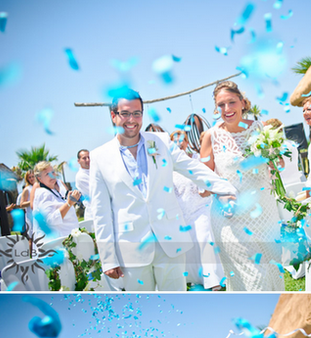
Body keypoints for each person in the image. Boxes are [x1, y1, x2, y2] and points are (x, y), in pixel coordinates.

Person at [89, 88, 236, 291]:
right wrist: (108, 258)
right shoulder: (99, 157)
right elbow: (101, 212)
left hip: (171, 241)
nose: (131, 119)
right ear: (113, 116)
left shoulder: (162, 142)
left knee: (177, 305)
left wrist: (226, 188)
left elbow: (192, 168)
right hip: (131, 249)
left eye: (137, 113)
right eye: (125, 113)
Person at [200, 80, 285, 291]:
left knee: (272, 268)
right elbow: (203, 188)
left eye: (231, 102)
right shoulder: (211, 136)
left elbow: (278, 166)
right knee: (254, 276)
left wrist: (272, 156)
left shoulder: (260, 129)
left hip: (264, 214)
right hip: (230, 218)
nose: (227, 109)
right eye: (221, 105)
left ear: (242, 102)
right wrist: (222, 192)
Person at [170, 130, 224, 290]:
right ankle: (197, 279)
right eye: (176, 141)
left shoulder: (196, 160)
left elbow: (206, 181)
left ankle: (213, 280)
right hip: (183, 212)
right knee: (191, 247)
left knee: (204, 240)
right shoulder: (168, 167)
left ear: (187, 142)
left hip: (201, 208)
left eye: (182, 140)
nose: (180, 144)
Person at [32, 163, 81, 240]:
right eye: (47, 174)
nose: (51, 176)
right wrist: (69, 203)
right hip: (58, 242)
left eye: (53, 172)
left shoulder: (53, 191)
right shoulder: (43, 193)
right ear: (39, 179)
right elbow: (50, 220)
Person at [75, 149, 92, 221]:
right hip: (93, 214)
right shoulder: (80, 176)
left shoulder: (94, 170)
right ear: (78, 161)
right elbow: (95, 190)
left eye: (89, 157)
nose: (87, 160)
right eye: (84, 158)